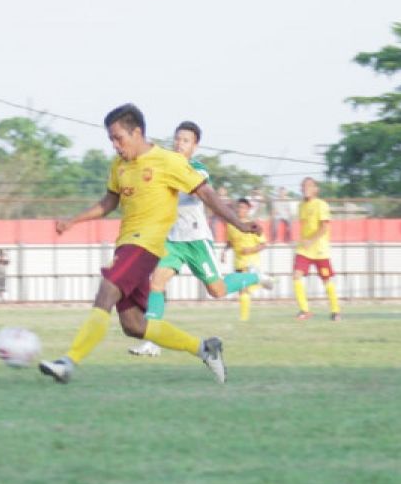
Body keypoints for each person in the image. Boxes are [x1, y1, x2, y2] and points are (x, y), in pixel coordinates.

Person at [38, 104, 262, 385]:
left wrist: (239, 224)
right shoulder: (119, 165)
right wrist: (74, 220)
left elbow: (207, 193)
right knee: (134, 325)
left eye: (118, 138)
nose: (115, 145)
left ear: (137, 132)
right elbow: (109, 202)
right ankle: (204, 348)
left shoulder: (168, 161)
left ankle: (68, 362)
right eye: (110, 139)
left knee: (107, 291)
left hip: (146, 247)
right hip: (125, 245)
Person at [128, 121, 271, 357]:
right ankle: (152, 341)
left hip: (196, 239)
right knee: (156, 283)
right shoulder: (163, 167)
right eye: (177, 138)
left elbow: (194, 191)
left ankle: (255, 275)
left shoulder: (198, 169)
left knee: (217, 290)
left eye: (185, 140)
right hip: (172, 240)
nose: (179, 143)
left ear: (195, 146)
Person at [293, 176, 341, 321]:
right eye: (303, 186)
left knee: (326, 280)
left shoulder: (321, 205)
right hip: (304, 249)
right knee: (296, 276)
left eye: (308, 186)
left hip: (320, 250)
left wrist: (311, 240)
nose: (305, 188)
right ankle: (304, 310)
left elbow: (324, 227)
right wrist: (304, 241)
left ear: (316, 189)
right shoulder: (300, 206)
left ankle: (335, 311)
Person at [221, 197, 268, 321]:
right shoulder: (231, 225)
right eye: (238, 207)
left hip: (251, 263)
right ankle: (262, 281)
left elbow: (263, 244)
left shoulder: (253, 225)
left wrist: (250, 250)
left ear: (248, 210)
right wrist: (224, 251)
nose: (240, 209)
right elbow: (230, 241)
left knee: (243, 290)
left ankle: (243, 319)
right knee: (243, 291)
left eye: (243, 207)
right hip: (238, 263)